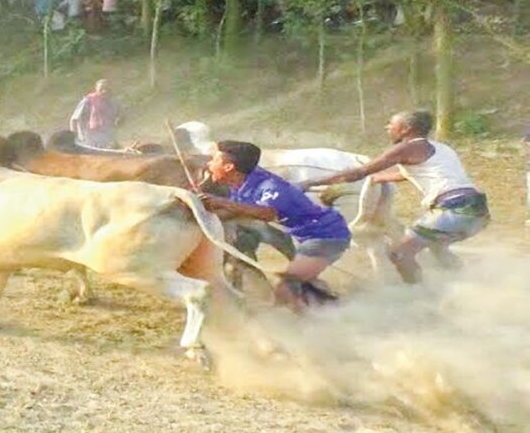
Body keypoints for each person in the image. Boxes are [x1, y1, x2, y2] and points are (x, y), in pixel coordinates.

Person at [300, 110, 490, 283]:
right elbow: (408, 175)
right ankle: (467, 285)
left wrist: (309, 183)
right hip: (477, 210)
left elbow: (356, 173)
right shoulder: (439, 148)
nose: (388, 127)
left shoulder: (406, 148)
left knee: (399, 254)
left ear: (406, 129)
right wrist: (377, 179)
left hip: (453, 210)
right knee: (437, 249)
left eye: (392, 124)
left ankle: (421, 296)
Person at [200, 140, 351, 308]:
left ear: (229, 167)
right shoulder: (241, 182)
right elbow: (236, 212)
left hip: (325, 235)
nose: (209, 164)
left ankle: (329, 318)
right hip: (309, 236)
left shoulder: (270, 187)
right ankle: (332, 309)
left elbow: (266, 213)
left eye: (214, 160)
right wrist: (203, 212)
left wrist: (222, 202)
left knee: (286, 288)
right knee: (302, 282)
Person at [69, 79, 121, 149]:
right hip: (89, 139)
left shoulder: (114, 102)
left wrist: (120, 120)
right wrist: (73, 139)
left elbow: (121, 116)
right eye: (101, 89)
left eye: (107, 89)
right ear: (96, 90)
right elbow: (74, 119)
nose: (104, 91)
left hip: (108, 138)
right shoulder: (88, 101)